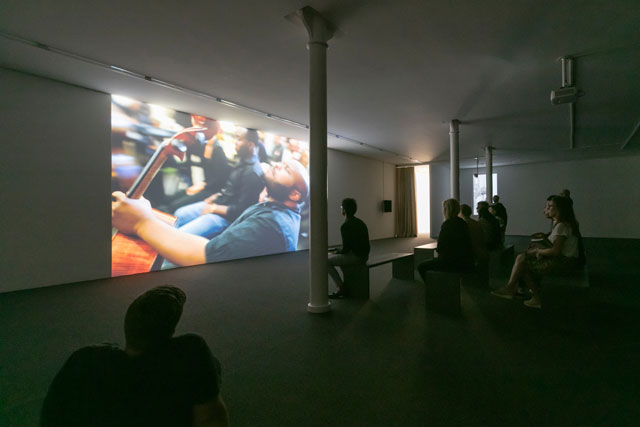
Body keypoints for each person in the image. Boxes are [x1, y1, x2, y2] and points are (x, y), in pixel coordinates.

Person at [41, 286, 230, 427]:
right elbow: (211, 419)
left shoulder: (82, 361)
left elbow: (51, 416)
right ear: (170, 332)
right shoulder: (190, 355)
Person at [112, 159, 309, 266]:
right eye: (281, 162)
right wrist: (268, 197)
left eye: (286, 169)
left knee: (164, 265)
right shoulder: (280, 207)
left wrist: (141, 222)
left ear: (294, 194)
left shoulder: (270, 225)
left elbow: (202, 256)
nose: (276, 164)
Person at [172, 127, 266, 239]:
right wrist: (214, 197)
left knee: (181, 236)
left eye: (239, 139)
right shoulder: (242, 160)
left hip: (225, 218)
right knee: (179, 214)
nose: (235, 142)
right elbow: (232, 190)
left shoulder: (253, 174)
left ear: (250, 145)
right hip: (219, 203)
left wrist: (213, 208)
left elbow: (242, 210)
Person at [491, 195, 581, 308]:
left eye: (549, 206)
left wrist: (538, 251)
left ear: (559, 209)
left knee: (522, 263)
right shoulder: (562, 223)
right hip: (566, 259)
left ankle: (532, 296)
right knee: (522, 258)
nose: (546, 209)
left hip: (564, 261)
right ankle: (516, 288)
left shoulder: (561, 226)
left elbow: (555, 251)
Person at [163, 115, 231, 213]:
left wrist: (202, 186)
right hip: (204, 185)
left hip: (210, 190)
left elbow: (219, 180)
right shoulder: (203, 146)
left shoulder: (218, 151)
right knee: (169, 198)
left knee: (173, 206)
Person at [417, 199, 474, 282]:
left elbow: (440, 246)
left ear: (447, 210)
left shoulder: (447, 224)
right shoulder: (463, 223)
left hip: (451, 262)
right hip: (465, 260)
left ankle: (434, 287)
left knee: (421, 267)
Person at [328, 198, 370, 298]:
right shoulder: (360, 222)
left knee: (326, 261)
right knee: (334, 256)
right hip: (364, 255)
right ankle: (348, 284)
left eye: (341, 207)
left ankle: (341, 288)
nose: (341, 209)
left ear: (344, 210)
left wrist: (337, 252)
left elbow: (346, 249)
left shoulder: (345, 225)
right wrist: (338, 251)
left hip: (357, 257)